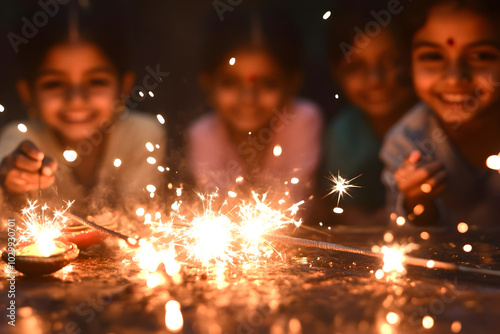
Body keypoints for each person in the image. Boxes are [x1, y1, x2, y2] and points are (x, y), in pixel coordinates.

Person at [0, 12, 166, 217]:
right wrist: (11, 187)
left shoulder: (141, 135)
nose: (76, 100)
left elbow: (139, 219)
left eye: (96, 81)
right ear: (28, 93)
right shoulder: (19, 141)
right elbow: (10, 228)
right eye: (54, 84)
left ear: (124, 87)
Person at [380, 0, 500, 230]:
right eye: (433, 57)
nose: (454, 78)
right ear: (408, 62)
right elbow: (403, 241)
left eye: (482, 56)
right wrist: (417, 203)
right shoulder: (407, 142)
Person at [186, 8, 322, 203]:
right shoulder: (203, 134)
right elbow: (215, 207)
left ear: (292, 84)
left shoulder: (302, 120)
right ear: (208, 84)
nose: (248, 99)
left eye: (267, 83)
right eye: (230, 82)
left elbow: (293, 205)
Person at [322, 3, 416, 226]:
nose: (375, 80)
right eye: (356, 67)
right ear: (336, 73)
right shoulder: (343, 133)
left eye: (392, 61)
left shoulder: (431, 126)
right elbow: (340, 209)